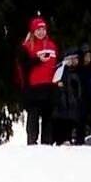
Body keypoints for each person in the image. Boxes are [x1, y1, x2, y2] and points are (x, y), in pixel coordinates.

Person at [19, 17, 61, 146]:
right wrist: (37, 60)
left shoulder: (52, 45)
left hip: (50, 86)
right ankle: (32, 143)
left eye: (43, 29)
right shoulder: (26, 46)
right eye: (38, 29)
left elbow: (57, 64)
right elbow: (23, 65)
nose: (41, 32)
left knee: (48, 117)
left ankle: (46, 143)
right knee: (34, 117)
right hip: (34, 88)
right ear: (33, 31)